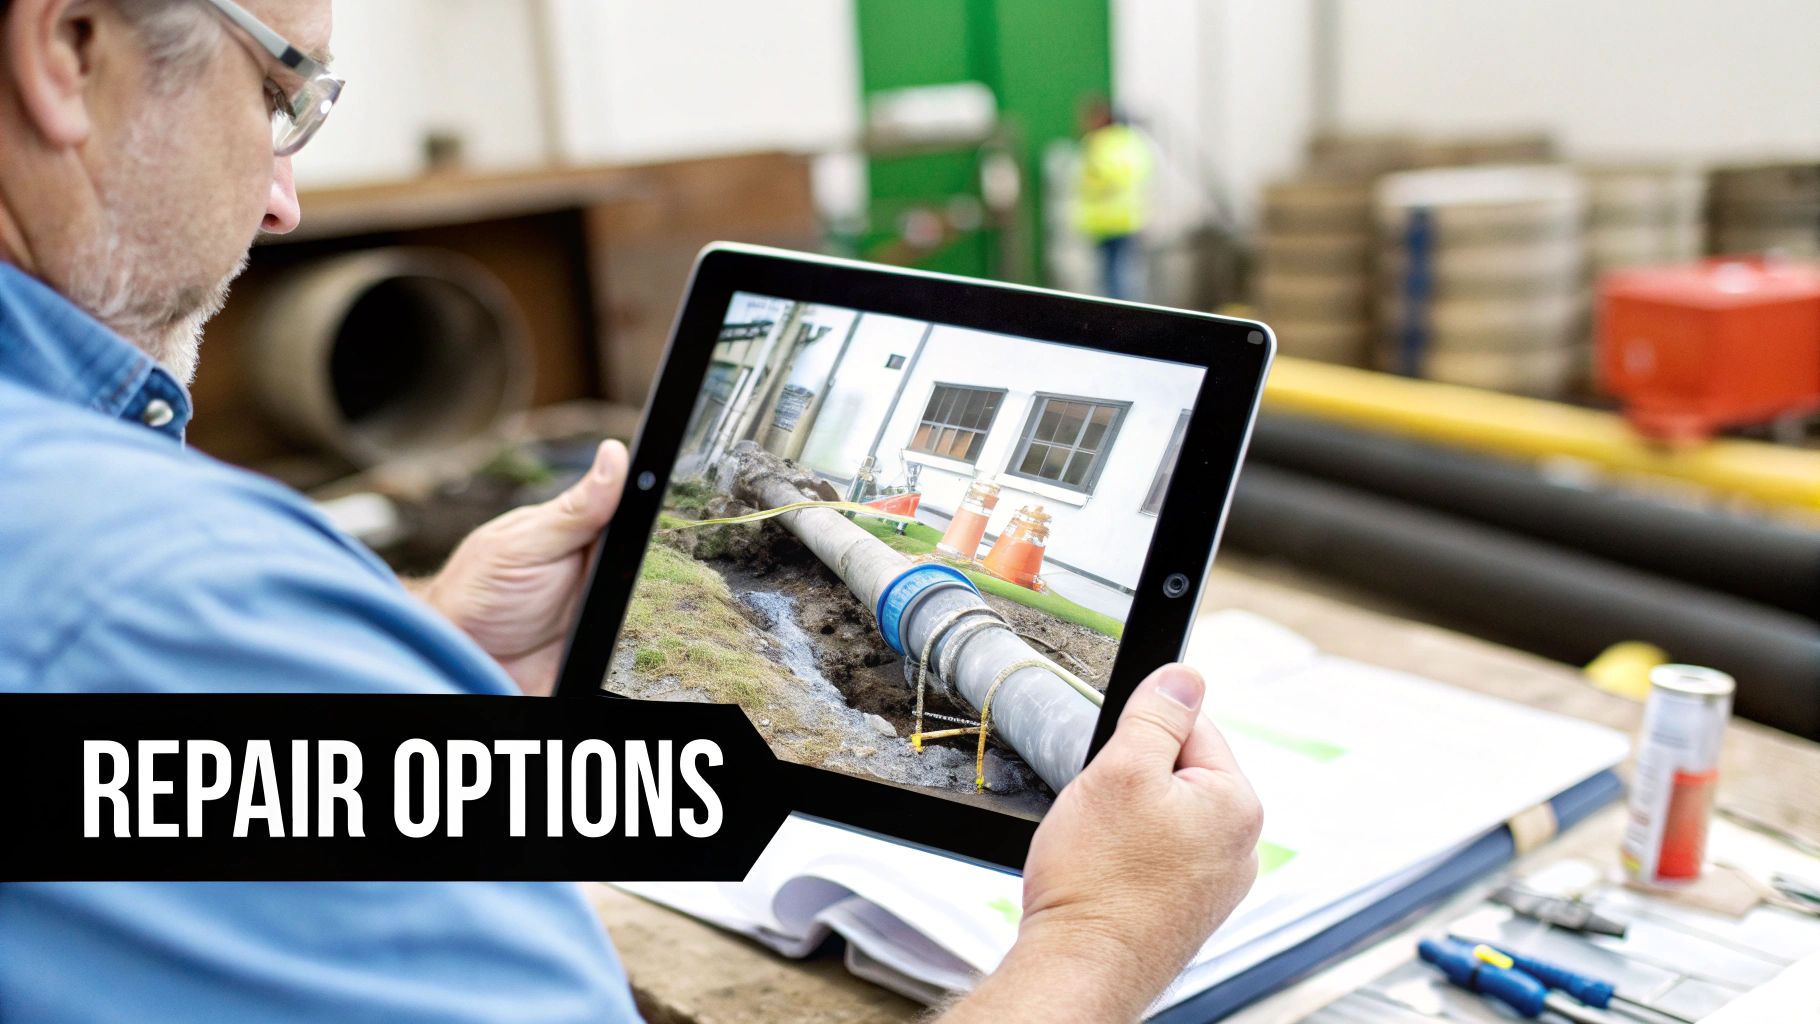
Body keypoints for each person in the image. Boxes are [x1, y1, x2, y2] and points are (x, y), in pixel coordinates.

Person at [0, 1, 1263, 1020]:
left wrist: (428, 654)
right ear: (69, 49)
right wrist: (1098, 939)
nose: (286, 200)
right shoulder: (147, 597)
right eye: (281, 95)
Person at [1073, 95, 1155, 302]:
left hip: (1112, 221)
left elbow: (1099, 178)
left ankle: (1120, 320)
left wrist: (1096, 179)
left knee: (1115, 278)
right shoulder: (1131, 140)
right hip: (1123, 220)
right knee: (1118, 274)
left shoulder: (1101, 143)